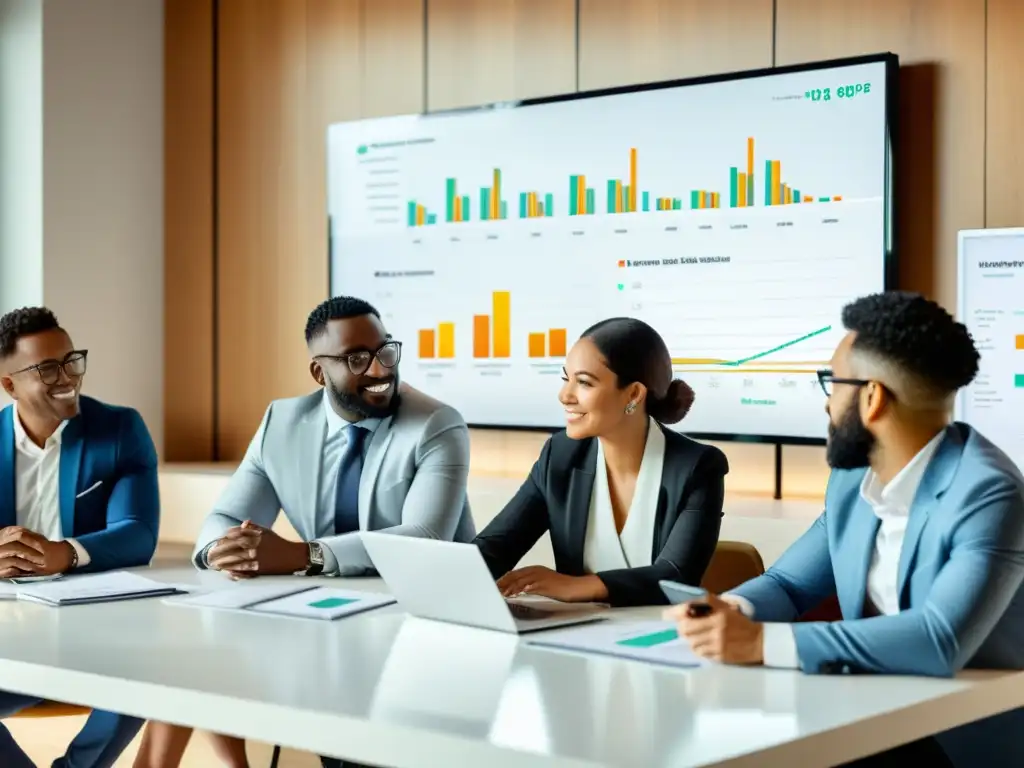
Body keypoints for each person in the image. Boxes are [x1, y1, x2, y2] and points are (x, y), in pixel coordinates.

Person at [666, 291, 1024, 767]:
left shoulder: (989, 493)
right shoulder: (854, 477)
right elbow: (790, 584)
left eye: (831, 384)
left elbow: (940, 640)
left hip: (959, 740)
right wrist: (730, 609)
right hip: (868, 717)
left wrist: (758, 642)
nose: (827, 405)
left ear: (872, 399)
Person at [137, 295, 474, 768]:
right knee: (186, 666)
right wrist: (221, 551)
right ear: (319, 373)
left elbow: (425, 537)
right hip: (329, 622)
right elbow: (223, 519)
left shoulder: (436, 424)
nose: (380, 370)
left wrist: (303, 556)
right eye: (357, 359)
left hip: (419, 628)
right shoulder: (283, 422)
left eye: (386, 352)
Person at [474, 317, 728, 607]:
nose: (565, 395)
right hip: (575, 635)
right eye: (565, 379)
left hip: (659, 637)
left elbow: (676, 577)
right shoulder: (560, 455)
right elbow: (496, 547)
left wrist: (576, 586)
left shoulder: (698, 467)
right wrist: (437, 575)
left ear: (633, 394)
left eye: (583, 382)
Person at [0, 307, 160, 768]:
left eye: (72, 360)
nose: (68, 376)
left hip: (96, 633)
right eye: (46, 368)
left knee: (148, 670)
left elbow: (138, 533)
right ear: (9, 385)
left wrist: (64, 554)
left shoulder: (119, 428)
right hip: (8, 637)